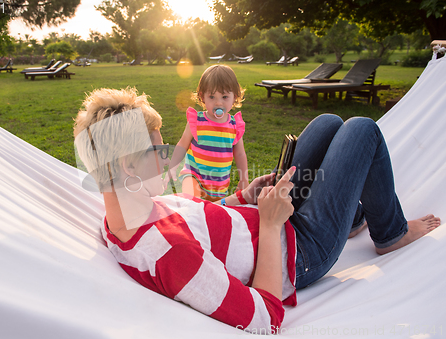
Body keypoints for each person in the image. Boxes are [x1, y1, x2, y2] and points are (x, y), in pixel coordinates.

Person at [73, 87, 441, 334]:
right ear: (129, 168)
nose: (170, 157)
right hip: (302, 250)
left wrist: (243, 198)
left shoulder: (124, 212)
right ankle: (390, 233)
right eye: (158, 151)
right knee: (362, 130)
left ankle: (350, 217)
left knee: (328, 124)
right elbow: (264, 318)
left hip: (273, 220)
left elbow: (197, 222)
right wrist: (269, 224)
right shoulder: (170, 254)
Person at [169, 64, 249, 202]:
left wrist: (244, 179)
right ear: (202, 97)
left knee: (211, 213)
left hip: (218, 185)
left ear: (234, 97)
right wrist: (172, 166)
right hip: (194, 175)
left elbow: (240, 154)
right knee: (192, 203)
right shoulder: (197, 121)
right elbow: (182, 144)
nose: (218, 103)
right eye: (212, 97)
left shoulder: (234, 126)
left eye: (224, 97)